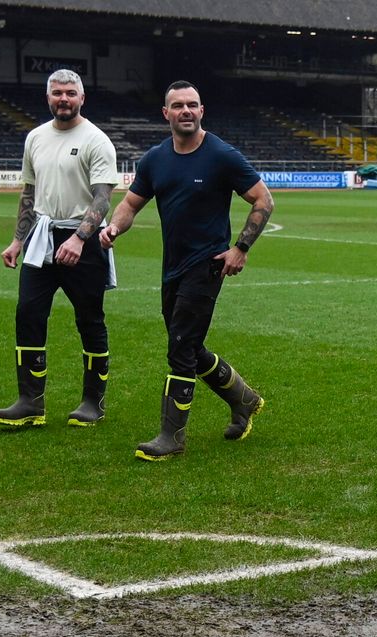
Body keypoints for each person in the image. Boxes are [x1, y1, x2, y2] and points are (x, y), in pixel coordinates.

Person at [101, 80, 274, 460]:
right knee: (190, 347)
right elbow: (130, 204)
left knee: (180, 347)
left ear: (202, 111)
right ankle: (243, 400)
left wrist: (240, 248)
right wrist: (115, 226)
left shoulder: (222, 155)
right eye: (178, 105)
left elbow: (263, 198)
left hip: (207, 264)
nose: (186, 111)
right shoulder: (155, 159)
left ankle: (172, 437)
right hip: (172, 267)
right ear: (166, 113)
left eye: (193, 104)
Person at [0, 69, 120, 428]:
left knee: (89, 320)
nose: (64, 99)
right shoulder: (35, 138)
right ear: (48, 97)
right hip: (40, 238)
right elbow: (29, 193)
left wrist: (80, 238)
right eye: (57, 93)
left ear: (82, 98)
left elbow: (103, 197)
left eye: (70, 93)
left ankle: (92, 402)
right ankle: (30, 402)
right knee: (28, 313)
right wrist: (18, 239)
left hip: (85, 240)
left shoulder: (97, 140)